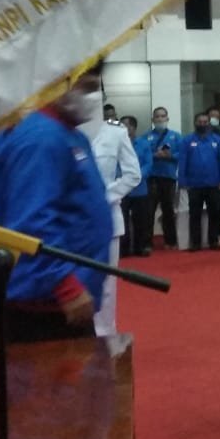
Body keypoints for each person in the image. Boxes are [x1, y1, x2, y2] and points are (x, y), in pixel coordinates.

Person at [0, 62, 111, 343]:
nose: (93, 98)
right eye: (87, 87)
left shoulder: (70, 134)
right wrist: (65, 286)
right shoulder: (41, 138)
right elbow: (31, 221)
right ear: (58, 82)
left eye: (97, 88)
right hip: (46, 301)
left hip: (62, 290)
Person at [88, 114, 140, 336]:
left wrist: (104, 196)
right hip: (70, 219)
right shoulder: (61, 131)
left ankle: (105, 332)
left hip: (106, 217)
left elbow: (133, 175)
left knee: (106, 283)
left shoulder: (115, 133)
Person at [180, 111, 220, 251]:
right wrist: (182, 181)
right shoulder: (187, 140)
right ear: (195, 123)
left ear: (209, 123)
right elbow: (182, 161)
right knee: (194, 214)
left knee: (214, 213)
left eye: (205, 122)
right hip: (194, 184)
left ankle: (213, 241)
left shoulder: (217, 140)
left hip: (214, 183)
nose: (202, 124)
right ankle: (195, 243)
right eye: (200, 122)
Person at [140, 106, 182, 251]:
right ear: (153, 119)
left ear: (167, 118)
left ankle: (170, 241)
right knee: (148, 211)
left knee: (168, 211)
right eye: (157, 116)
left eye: (163, 116)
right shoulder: (145, 137)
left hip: (169, 178)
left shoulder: (176, 136)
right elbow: (141, 156)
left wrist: (170, 156)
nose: (160, 119)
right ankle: (147, 243)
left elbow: (182, 154)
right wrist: (154, 155)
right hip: (151, 178)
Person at [120, 116, 152, 257]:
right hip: (122, 188)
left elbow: (148, 164)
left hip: (140, 187)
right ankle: (123, 249)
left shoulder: (144, 144)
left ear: (133, 127)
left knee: (140, 220)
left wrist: (137, 177)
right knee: (123, 220)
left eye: (125, 125)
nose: (123, 128)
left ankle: (141, 247)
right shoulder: (117, 143)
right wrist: (123, 179)